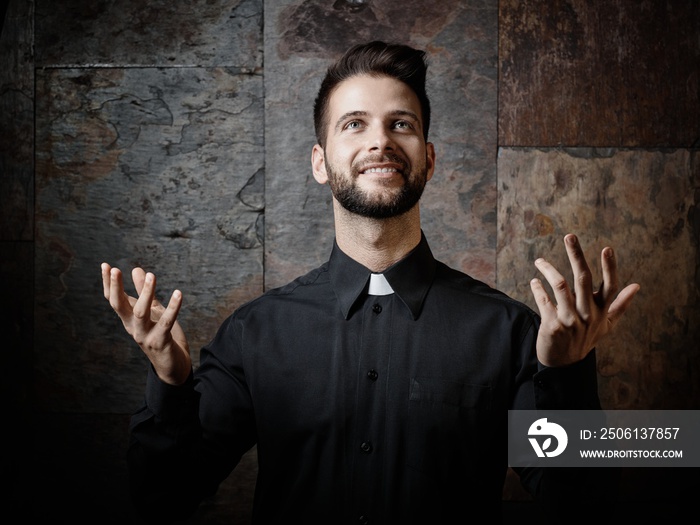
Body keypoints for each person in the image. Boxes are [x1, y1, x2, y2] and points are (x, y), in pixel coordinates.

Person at [101, 41, 640, 524]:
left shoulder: (511, 332)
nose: (380, 142)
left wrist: (566, 375)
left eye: (401, 124)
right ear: (320, 162)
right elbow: (161, 499)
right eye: (353, 124)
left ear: (428, 160)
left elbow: (583, 509)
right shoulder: (254, 333)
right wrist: (170, 382)